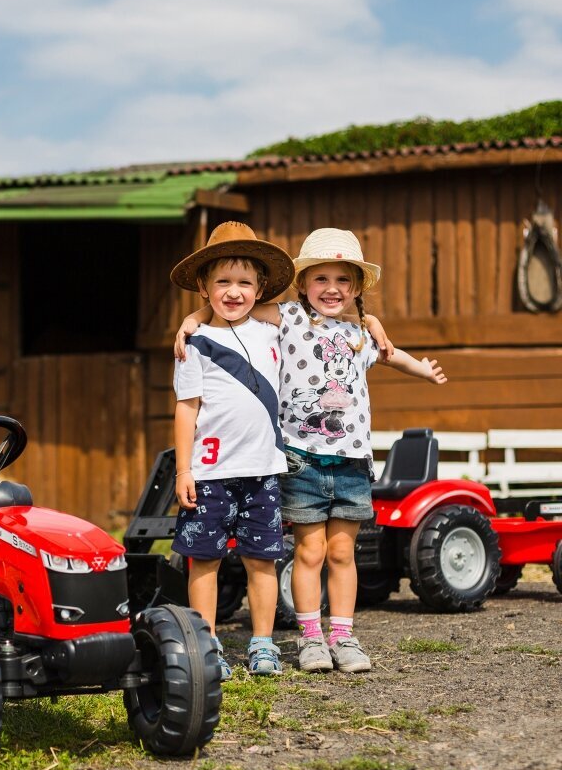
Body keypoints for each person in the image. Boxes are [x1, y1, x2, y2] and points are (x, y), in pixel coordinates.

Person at [176, 227, 447, 674]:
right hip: (300, 456)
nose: (332, 289)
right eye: (321, 279)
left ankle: (343, 634)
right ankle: (310, 637)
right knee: (309, 552)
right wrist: (194, 317)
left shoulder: (361, 334)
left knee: (343, 553)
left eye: (343, 281)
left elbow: (389, 353)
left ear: (357, 287)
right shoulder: (287, 318)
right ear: (302, 284)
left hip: (352, 460)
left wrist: (420, 368)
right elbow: (234, 307)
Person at [169, 221, 295, 680]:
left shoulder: (272, 329)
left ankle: (263, 644)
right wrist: (184, 470)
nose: (234, 292)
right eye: (222, 281)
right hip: (209, 472)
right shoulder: (194, 345)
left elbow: (326, 319)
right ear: (203, 287)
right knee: (204, 559)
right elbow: (187, 410)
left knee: (263, 558)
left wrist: (373, 322)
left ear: (260, 288)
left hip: (263, 469)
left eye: (245, 282)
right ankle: (208, 645)